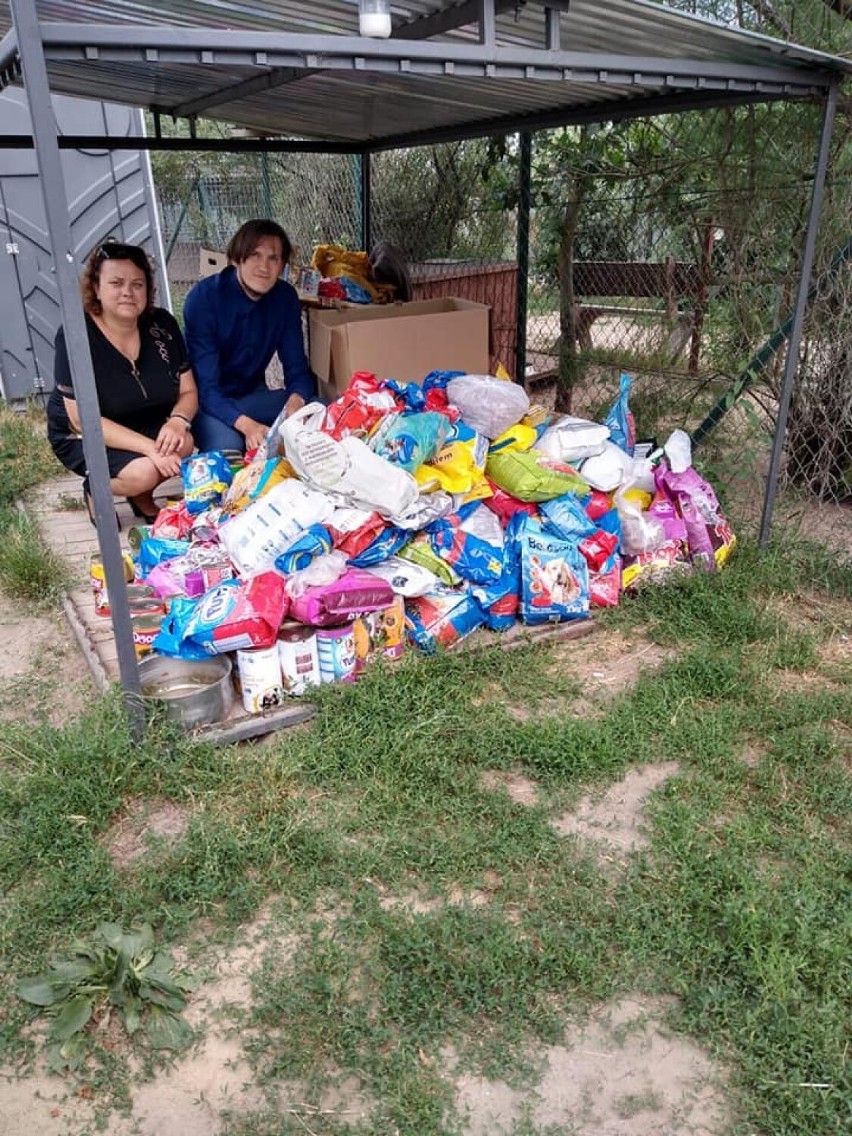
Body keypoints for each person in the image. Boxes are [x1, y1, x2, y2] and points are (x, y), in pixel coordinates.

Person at [47, 240, 198, 525]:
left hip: (141, 417)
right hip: (85, 433)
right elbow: (81, 420)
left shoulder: (161, 324)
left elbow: (188, 390)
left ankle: (141, 496)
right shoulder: (75, 334)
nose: (128, 292)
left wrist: (178, 421)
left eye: (137, 284)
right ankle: (96, 489)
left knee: (184, 441)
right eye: (116, 282)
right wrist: (150, 448)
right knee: (143, 470)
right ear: (96, 288)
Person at [183, 218, 317, 455]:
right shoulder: (203, 299)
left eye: (273, 258)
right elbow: (207, 390)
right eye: (255, 255)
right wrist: (248, 426)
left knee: (321, 411)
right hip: (209, 404)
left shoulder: (284, 299)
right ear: (237, 258)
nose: (264, 267)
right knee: (229, 449)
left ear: (282, 265)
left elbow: (298, 371)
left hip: (252, 396)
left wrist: (296, 402)